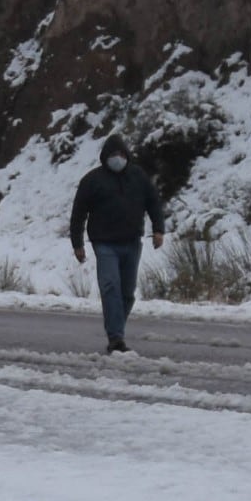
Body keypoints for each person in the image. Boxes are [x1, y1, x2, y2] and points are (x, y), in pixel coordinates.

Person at [65, 138, 166, 353]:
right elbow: (78, 213)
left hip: (132, 242)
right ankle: (116, 339)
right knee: (110, 287)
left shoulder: (138, 176)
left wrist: (159, 229)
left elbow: (153, 202)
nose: (117, 159)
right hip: (104, 244)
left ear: (127, 155)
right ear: (104, 157)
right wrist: (77, 243)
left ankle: (116, 328)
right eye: (113, 155)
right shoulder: (92, 181)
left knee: (127, 293)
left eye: (121, 154)